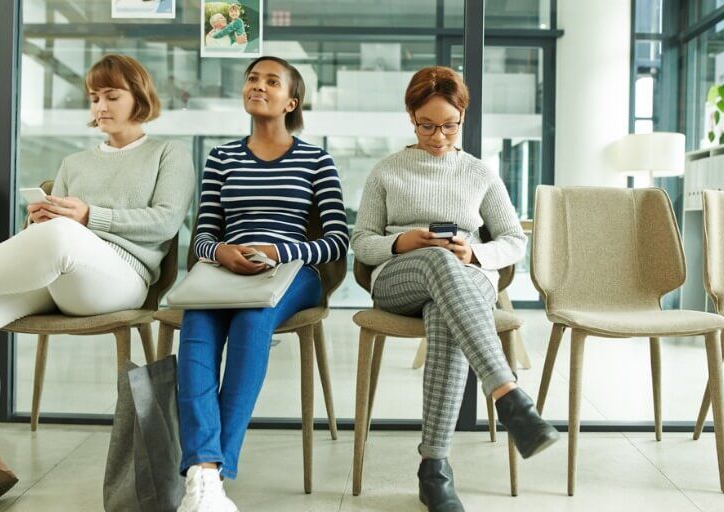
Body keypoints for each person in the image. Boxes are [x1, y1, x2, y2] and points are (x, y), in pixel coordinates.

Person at [0, 54, 195, 512]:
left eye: (112, 96)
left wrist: (87, 216)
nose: (101, 106)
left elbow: (165, 222)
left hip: (122, 277)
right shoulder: (74, 161)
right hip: (60, 272)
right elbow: (48, 242)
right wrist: (39, 222)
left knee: (62, 235)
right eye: (94, 97)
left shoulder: (168, 153)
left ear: (138, 97)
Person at [351, 66, 559, 512]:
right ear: (411, 117)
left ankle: (434, 469)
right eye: (428, 125)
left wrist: (475, 253)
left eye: (449, 125)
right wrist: (400, 241)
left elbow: (513, 240)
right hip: (399, 278)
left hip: (466, 279)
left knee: (446, 303)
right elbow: (361, 241)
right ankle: (508, 395)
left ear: (462, 117)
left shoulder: (479, 173)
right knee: (438, 260)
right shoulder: (386, 171)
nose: (439, 136)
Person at [175, 56, 349, 512]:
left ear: (291, 101)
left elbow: (336, 241)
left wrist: (279, 252)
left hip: (293, 273)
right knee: (197, 325)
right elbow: (204, 235)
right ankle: (204, 475)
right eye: (253, 78)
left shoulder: (316, 159)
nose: (258, 85)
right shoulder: (222, 158)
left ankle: (212, 469)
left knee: (253, 321)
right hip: (227, 268)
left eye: (272, 81)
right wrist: (222, 253)